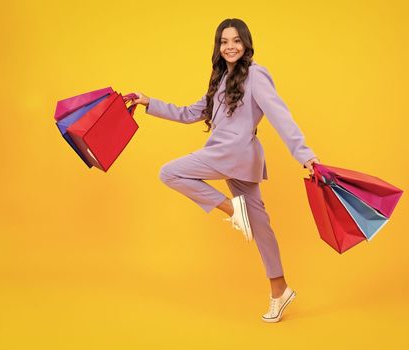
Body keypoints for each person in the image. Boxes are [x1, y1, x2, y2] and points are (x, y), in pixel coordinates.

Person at [125, 18, 320, 323]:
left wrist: (304, 155)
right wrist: (148, 102)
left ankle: (233, 210)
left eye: (236, 41)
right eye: (224, 42)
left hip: (231, 153)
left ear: (246, 44)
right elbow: (189, 113)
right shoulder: (220, 78)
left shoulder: (256, 75)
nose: (230, 47)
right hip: (240, 159)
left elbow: (280, 115)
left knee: (169, 172)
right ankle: (279, 290)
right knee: (261, 227)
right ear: (218, 47)